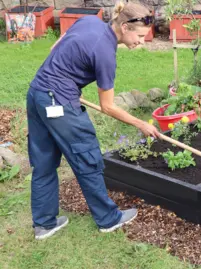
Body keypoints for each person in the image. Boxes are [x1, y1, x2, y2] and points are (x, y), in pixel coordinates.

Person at [26, 0, 161, 240]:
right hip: (59, 103)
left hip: (37, 94)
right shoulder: (106, 53)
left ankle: (44, 224)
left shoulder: (90, 22)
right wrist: (141, 124)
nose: (141, 42)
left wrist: (64, 81)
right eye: (140, 36)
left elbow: (55, 47)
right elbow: (107, 106)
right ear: (125, 27)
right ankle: (108, 219)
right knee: (86, 156)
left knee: (44, 161)